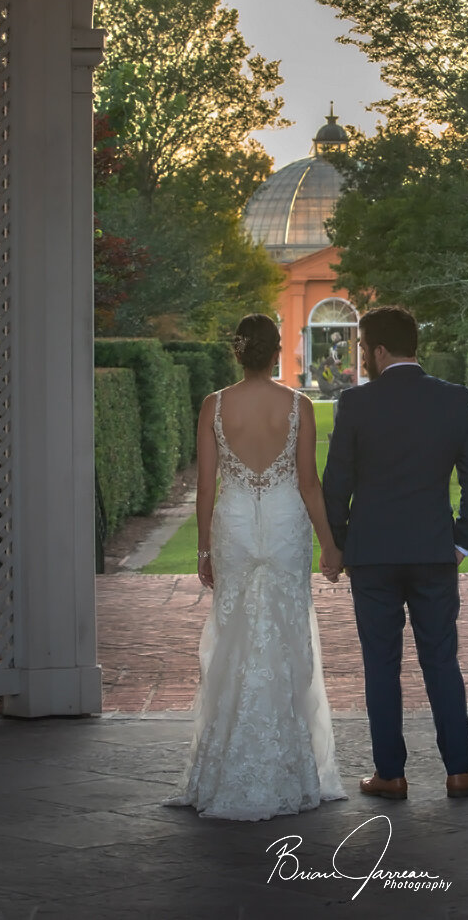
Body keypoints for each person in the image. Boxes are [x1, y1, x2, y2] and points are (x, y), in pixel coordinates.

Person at [165, 313, 347, 819]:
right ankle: (289, 766)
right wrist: (330, 544)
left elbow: (206, 487)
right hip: (286, 523)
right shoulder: (299, 406)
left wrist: (203, 549)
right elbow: (309, 484)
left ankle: (224, 767)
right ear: (276, 352)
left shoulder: (214, 406)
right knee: (288, 635)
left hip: (237, 524)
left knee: (234, 634)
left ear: (238, 352)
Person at [322, 304, 468, 801]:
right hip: (435, 553)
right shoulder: (453, 399)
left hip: (372, 555)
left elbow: (337, 485)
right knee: (442, 660)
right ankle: (460, 771)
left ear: (377, 349)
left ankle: (390, 775)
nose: (362, 357)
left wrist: (337, 543)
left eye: (362, 348)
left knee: (381, 665)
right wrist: (463, 539)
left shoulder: (353, 404)